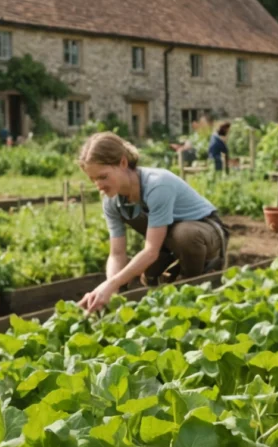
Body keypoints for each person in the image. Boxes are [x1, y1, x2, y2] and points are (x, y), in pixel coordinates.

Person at [77, 132, 229, 312]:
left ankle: (195, 283)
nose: (98, 185)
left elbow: (150, 251)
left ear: (123, 163)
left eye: (103, 177)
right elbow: (117, 254)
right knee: (147, 275)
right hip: (167, 241)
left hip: (207, 232)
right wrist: (112, 288)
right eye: (93, 179)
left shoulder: (157, 185)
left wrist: (111, 285)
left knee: (184, 235)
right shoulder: (112, 202)